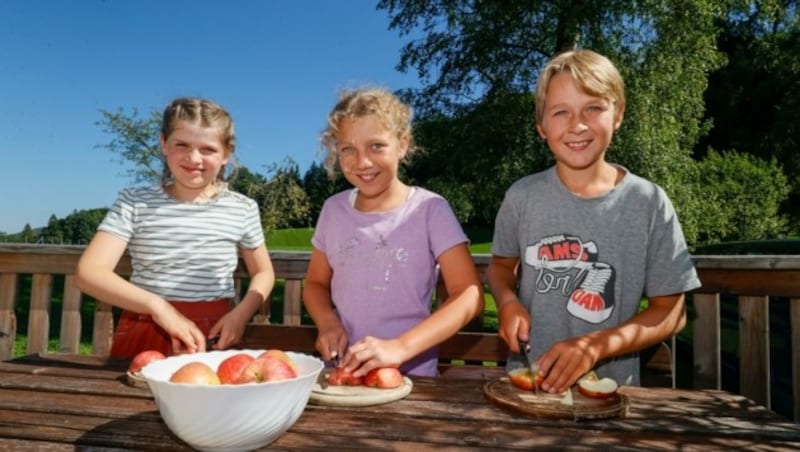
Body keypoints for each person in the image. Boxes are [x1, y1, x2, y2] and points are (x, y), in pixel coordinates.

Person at [487, 49, 701, 393]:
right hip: (530, 383)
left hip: (612, 392)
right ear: (541, 126)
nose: (577, 125)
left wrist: (596, 346)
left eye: (594, 108)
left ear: (618, 114)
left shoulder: (649, 202)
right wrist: (508, 302)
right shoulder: (521, 197)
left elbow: (672, 313)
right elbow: (499, 267)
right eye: (560, 112)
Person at [302, 88, 485, 377]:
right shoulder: (333, 210)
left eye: (376, 146)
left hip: (413, 378)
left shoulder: (430, 209)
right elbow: (315, 283)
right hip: (342, 374)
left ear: (402, 145)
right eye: (348, 149)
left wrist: (400, 347)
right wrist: (327, 323)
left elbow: (470, 295)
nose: (362, 162)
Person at [75, 97, 275, 358]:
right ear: (163, 144)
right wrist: (157, 307)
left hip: (213, 335)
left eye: (208, 149)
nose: (194, 158)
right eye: (182, 145)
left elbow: (264, 272)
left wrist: (241, 315)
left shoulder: (243, 208)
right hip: (146, 329)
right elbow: (88, 272)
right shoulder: (134, 201)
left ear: (226, 154)